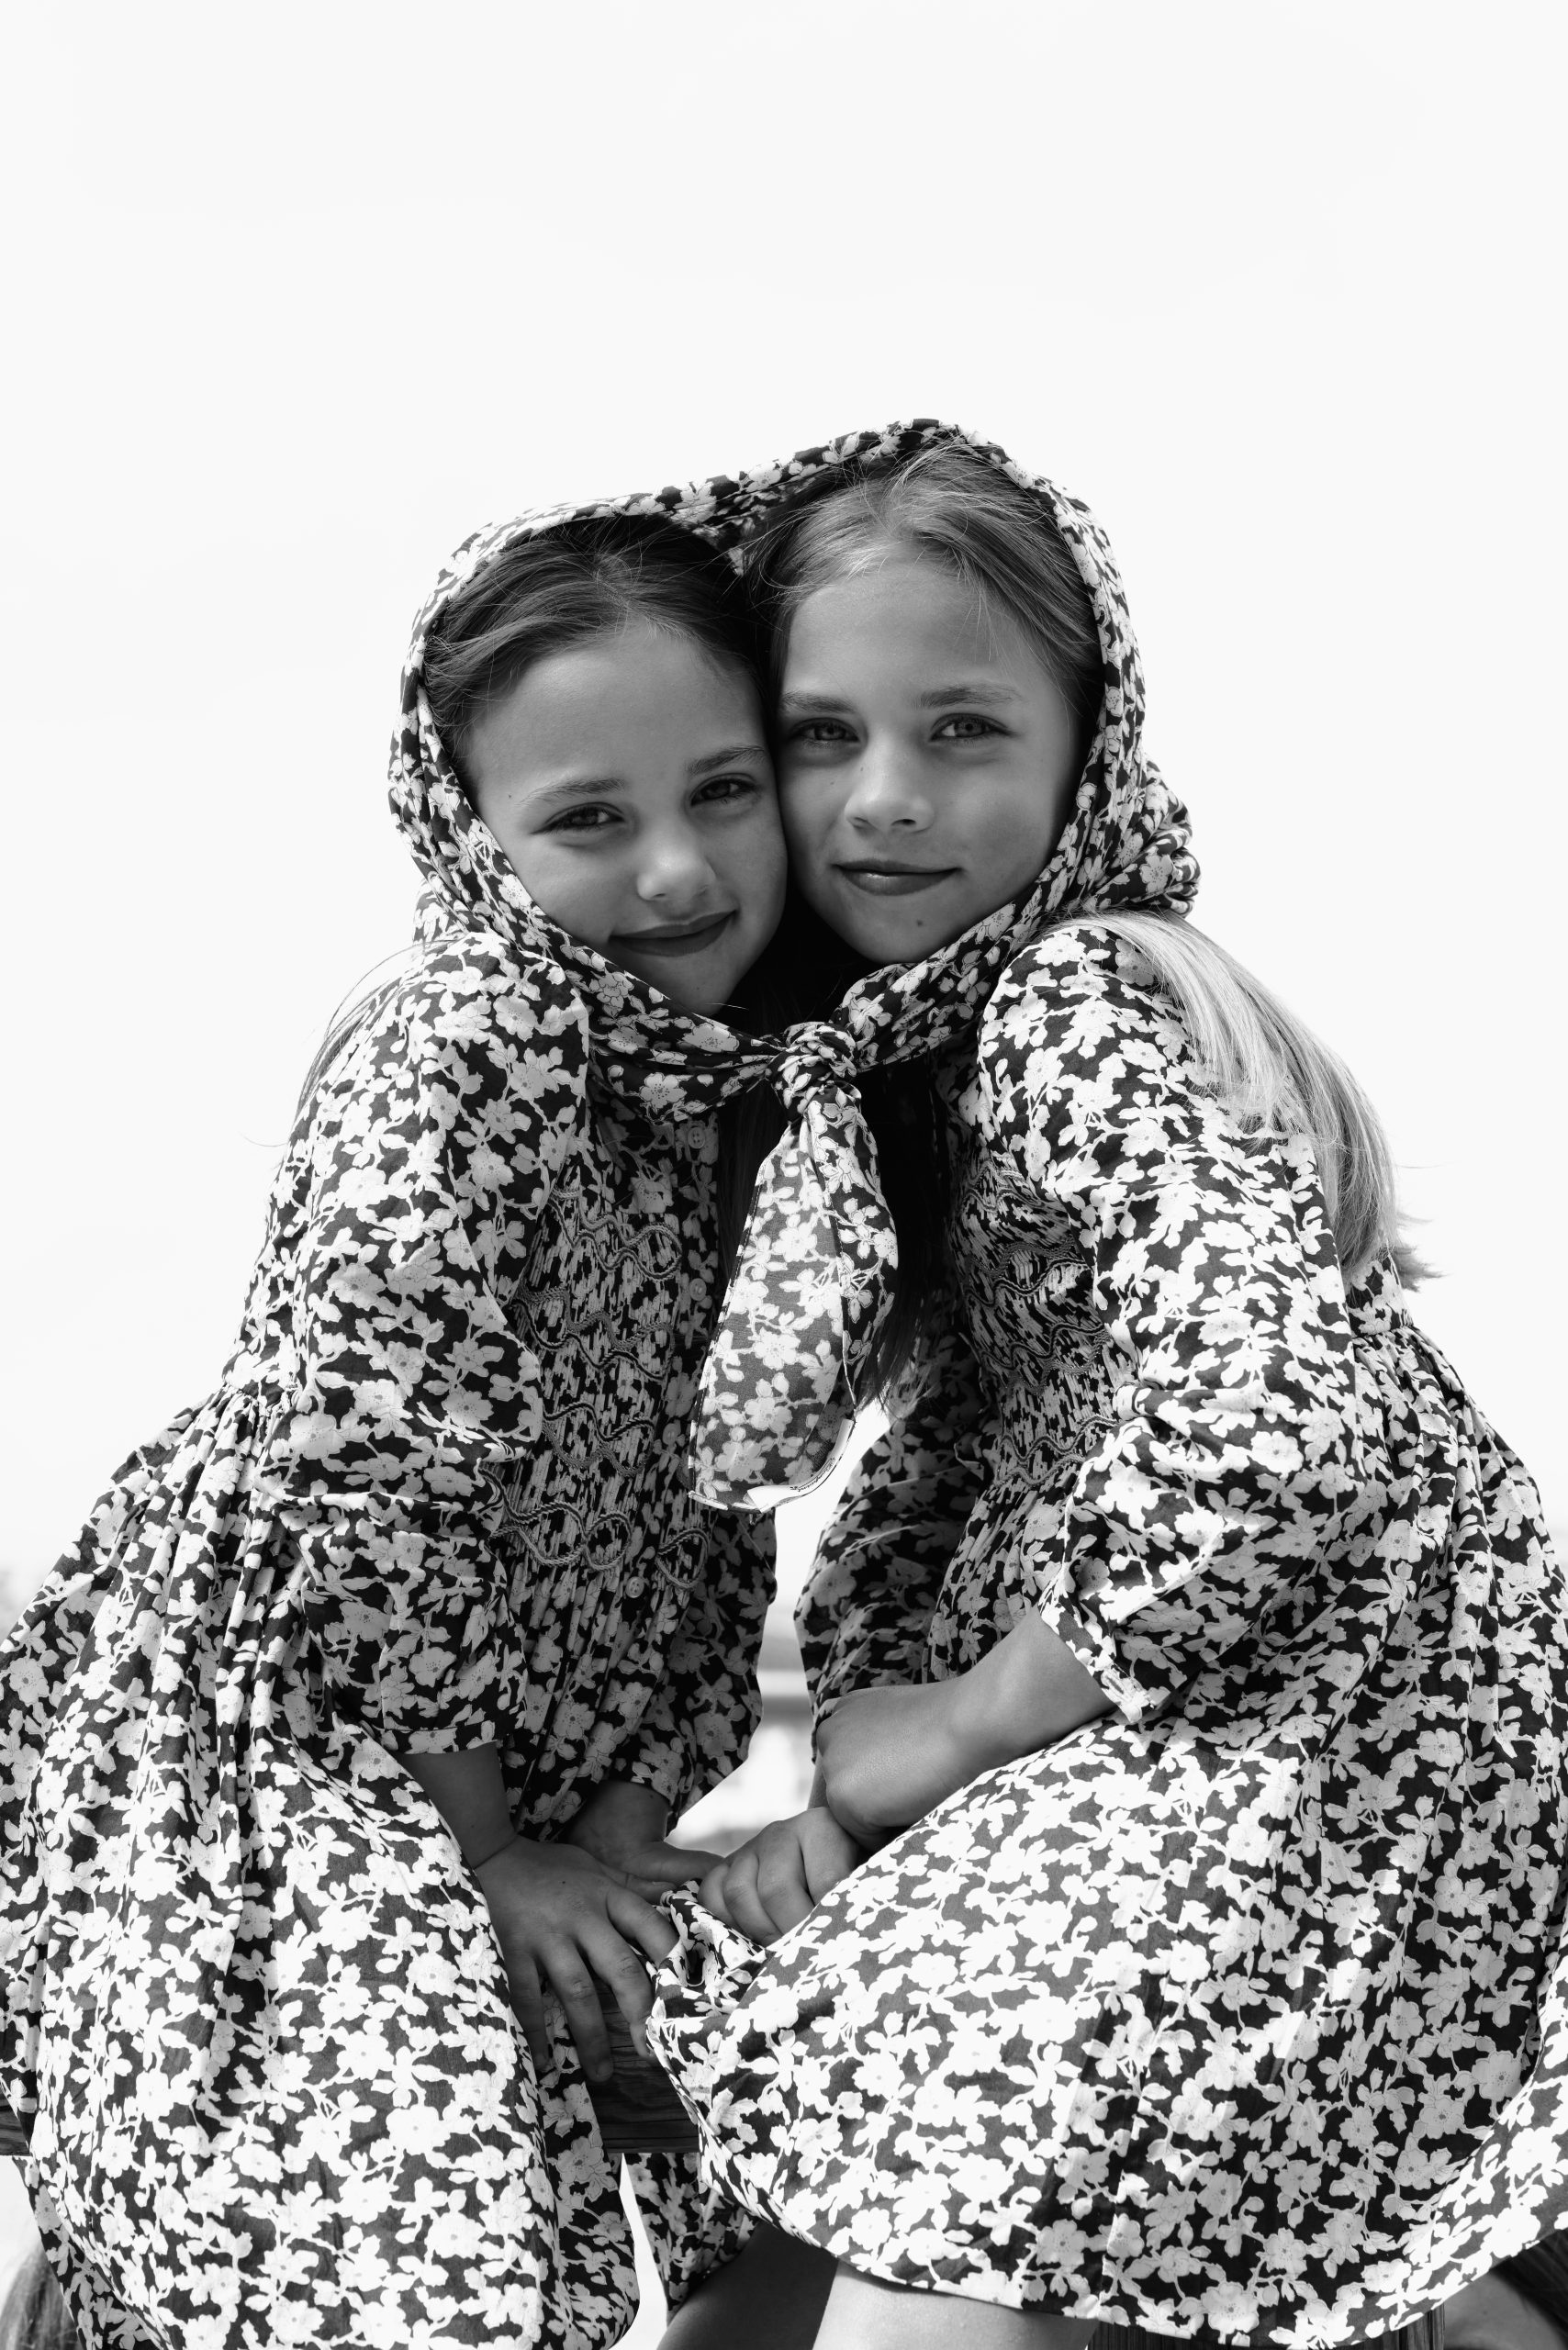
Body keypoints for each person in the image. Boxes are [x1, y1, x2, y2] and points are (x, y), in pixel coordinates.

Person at [643, 424, 1568, 2350]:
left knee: (943, 2179)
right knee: (805, 2174)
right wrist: (872, 1765)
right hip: (1250, 1695)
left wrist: (968, 1724)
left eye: (962, 729)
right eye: (819, 737)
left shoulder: (1071, 1003)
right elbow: (973, 1455)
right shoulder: (926, 1050)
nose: (886, 799)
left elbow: (1276, 1430)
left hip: (1330, 1719)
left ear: (1088, 751)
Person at [0, 498, 802, 2349]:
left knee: (718, 2118)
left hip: (505, 1758)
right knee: (386, 2246)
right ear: (471, 832)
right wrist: (487, 1849)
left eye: (725, 788)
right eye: (589, 819)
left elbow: (712, 1510)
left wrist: (617, 1818)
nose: (677, 867)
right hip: (314, 1737)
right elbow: (372, 1466)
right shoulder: (474, 1038)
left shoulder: (712, 1103)